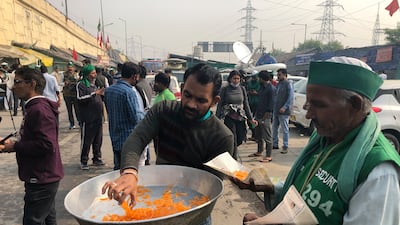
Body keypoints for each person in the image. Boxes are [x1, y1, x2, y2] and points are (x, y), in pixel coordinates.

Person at [238, 57, 400, 225]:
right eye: (308, 103)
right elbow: (306, 188)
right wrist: (270, 187)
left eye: (319, 105)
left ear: (355, 105)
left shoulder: (378, 173)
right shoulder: (323, 139)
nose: (308, 115)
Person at [101, 63, 234, 225]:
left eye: (201, 100)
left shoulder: (222, 137)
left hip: (195, 210)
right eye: (187, 95)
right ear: (183, 88)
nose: (191, 104)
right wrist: (129, 172)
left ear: (215, 101)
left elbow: (210, 185)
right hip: (159, 198)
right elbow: (136, 139)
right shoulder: (163, 110)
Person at [0, 66, 64, 225]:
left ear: (32, 84)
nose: (13, 87)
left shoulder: (39, 110)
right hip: (42, 174)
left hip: (41, 176)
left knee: (32, 221)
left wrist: (15, 147)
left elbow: (46, 145)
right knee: (48, 219)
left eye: (17, 82)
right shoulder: (34, 107)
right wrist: (12, 143)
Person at [104, 62, 146, 170]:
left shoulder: (109, 90)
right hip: (128, 140)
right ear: (134, 76)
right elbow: (135, 118)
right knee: (129, 171)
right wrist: (146, 114)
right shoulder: (128, 92)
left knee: (118, 170)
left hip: (115, 136)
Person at [216, 70, 257, 159]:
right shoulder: (225, 89)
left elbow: (246, 104)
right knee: (233, 137)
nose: (236, 80)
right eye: (234, 78)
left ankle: (232, 151)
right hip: (229, 116)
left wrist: (251, 119)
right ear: (230, 79)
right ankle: (234, 158)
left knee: (240, 138)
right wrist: (216, 119)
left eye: (238, 79)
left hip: (240, 117)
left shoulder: (242, 89)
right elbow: (219, 104)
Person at [76, 64, 105, 170]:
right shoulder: (81, 85)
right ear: (87, 74)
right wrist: (94, 94)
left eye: (94, 72)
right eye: (92, 73)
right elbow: (80, 98)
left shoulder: (96, 83)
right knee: (87, 140)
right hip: (88, 118)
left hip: (97, 116)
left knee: (98, 139)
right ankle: (84, 161)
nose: (95, 74)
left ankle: (97, 158)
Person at [247, 71, 275, 162]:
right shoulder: (262, 87)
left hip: (265, 116)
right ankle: (259, 151)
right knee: (258, 135)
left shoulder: (271, 89)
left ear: (262, 78)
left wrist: (264, 117)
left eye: (259, 78)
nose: (258, 79)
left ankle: (268, 155)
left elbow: (271, 105)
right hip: (259, 114)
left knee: (267, 136)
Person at [272, 68, 293, 154]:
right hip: (276, 109)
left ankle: (285, 146)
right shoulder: (278, 84)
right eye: (278, 75)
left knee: (285, 129)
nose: (278, 76)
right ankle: (275, 144)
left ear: (284, 75)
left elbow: (290, 97)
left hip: (284, 111)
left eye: (279, 75)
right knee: (274, 128)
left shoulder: (288, 84)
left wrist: (285, 107)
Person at [63, 62, 80, 129]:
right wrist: (65, 83)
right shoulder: (64, 74)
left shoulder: (76, 74)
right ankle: (72, 123)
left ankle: (79, 122)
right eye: (69, 67)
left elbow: (78, 82)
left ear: (73, 67)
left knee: (77, 110)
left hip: (75, 94)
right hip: (67, 94)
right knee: (69, 110)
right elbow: (61, 83)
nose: (70, 68)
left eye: (71, 67)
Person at [246, 73, 261, 141]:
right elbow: (246, 91)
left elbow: (262, 93)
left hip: (257, 104)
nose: (254, 78)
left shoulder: (260, 84)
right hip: (250, 103)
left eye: (255, 77)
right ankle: (253, 133)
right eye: (253, 77)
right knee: (249, 119)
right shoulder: (249, 83)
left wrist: (256, 93)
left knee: (256, 120)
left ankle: (257, 135)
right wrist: (249, 92)